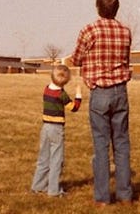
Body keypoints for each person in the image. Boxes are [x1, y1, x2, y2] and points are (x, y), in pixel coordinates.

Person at [71, 0, 133, 206]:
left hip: (99, 92)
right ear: (116, 9)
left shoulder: (89, 30)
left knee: (100, 145)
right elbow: (125, 59)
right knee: (122, 144)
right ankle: (125, 196)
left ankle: (102, 198)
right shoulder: (125, 31)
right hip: (120, 92)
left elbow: (76, 58)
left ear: (98, 8)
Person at [30, 64, 82, 197]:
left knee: (43, 158)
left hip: (45, 128)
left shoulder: (46, 89)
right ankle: (53, 190)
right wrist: (78, 94)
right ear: (66, 80)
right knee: (56, 159)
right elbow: (74, 108)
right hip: (57, 129)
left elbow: (56, 82)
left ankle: (38, 186)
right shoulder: (62, 95)